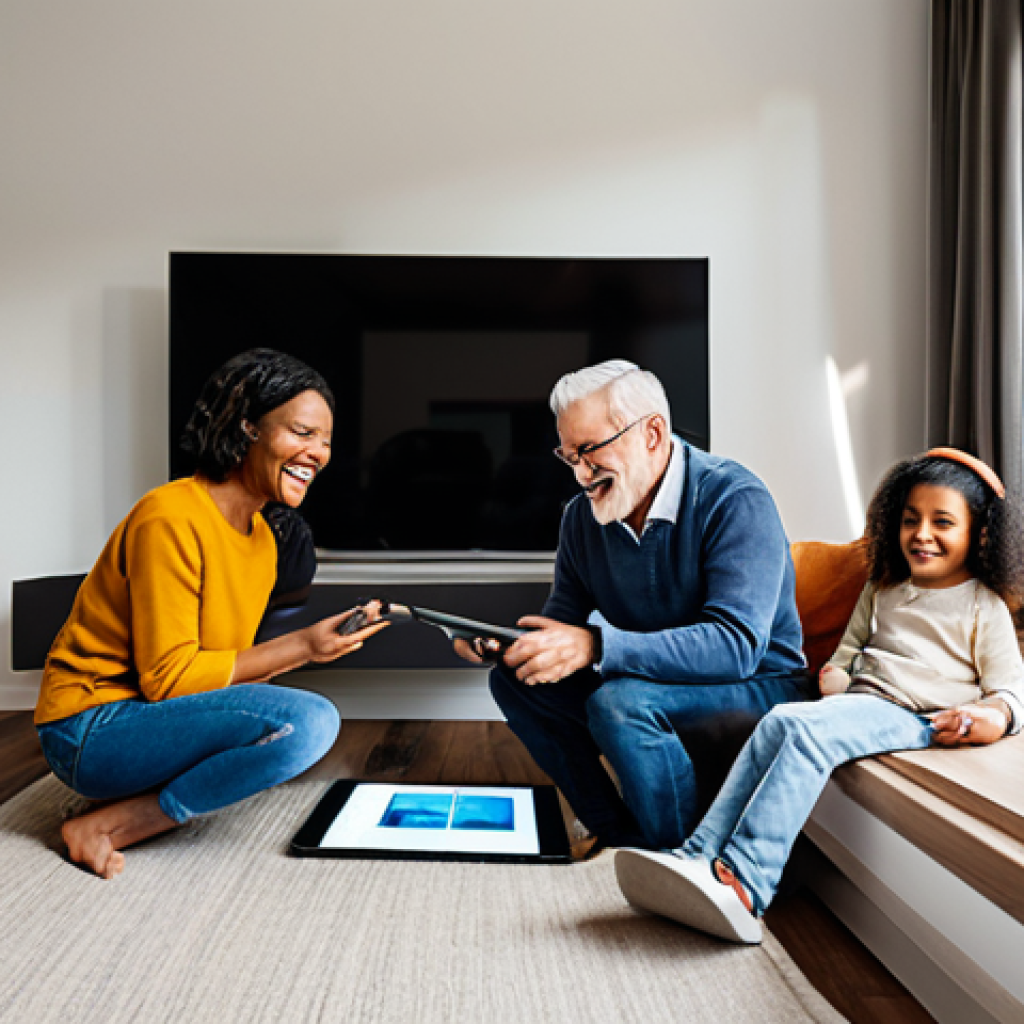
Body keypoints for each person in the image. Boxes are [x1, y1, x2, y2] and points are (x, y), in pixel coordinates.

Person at [615, 448, 1024, 944]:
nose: (922, 535)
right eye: (911, 519)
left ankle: (747, 880)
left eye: (942, 523)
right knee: (780, 719)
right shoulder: (885, 585)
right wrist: (836, 671)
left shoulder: (983, 603)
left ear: (980, 534)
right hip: (863, 699)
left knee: (805, 733)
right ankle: (697, 853)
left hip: (919, 715)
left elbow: (1009, 688)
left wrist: (995, 716)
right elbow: (852, 645)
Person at [35, 348, 389, 880]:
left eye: (326, 441)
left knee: (297, 724)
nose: (317, 453)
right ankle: (114, 824)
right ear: (247, 426)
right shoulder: (171, 515)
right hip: (88, 728)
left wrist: (310, 647)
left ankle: (118, 808)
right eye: (301, 432)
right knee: (310, 721)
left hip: (145, 719)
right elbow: (170, 679)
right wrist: (303, 647)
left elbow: (220, 668)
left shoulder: (264, 541)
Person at [457, 360, 811, 852]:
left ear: (651, 433)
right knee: (517, 682)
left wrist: (597, 645)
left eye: (590, 450)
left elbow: (737, 646)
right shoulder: (582, 519)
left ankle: (685, 858)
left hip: (757, 683)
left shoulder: (734, 496)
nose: (580, 473)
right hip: (657, 680)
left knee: (620, 702)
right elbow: (564, 621)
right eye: (568, 455)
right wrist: (512, 646)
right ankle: (619, 834)